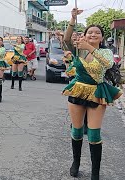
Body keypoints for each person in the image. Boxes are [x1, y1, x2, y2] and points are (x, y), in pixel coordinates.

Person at [63, 8, 123, 180]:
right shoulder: (78, 49)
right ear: (85, 34)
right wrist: (73, 19)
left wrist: (88, 47)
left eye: (97, 33)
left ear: (102, 37)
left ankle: (95, 173)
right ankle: (76, 163)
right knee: (76, 131)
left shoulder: (105, 52)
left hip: (97, 92)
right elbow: (67, 39)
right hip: (77, 90)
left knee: (94, 134)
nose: (93, 34)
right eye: (90, 32)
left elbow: (107, 63)